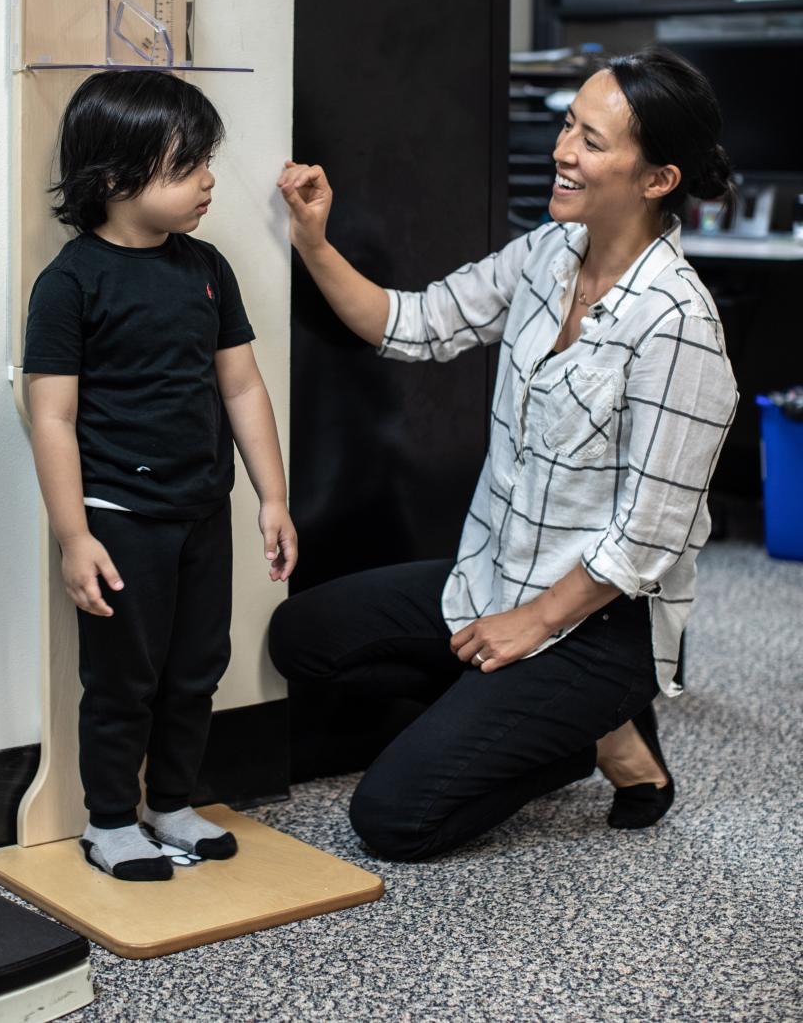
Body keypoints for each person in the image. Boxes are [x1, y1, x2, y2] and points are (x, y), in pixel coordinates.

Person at [269, 46, 738, 862]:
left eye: (591, 141)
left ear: (658, 179)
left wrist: (532, 626)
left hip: (596, 620)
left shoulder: (678, 325)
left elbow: (648, 539)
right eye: (567, 126)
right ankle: (569, 726)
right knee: (302, 636)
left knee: (392, 819)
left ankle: (577, 733)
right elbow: (413, 324)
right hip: (491, 575)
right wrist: (313, 240)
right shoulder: (549, 253)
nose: (562, 150)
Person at [24, 71, 297, 881]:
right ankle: (108, 821)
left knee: (194, 670)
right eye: (188, 166)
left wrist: (273, 497)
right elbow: (51, 417)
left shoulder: (206, 268)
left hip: (201, 510)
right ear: (114, 180)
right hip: (117, 516)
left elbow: (242, 385)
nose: (210, 179)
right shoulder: (70, 284)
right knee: (122, 679)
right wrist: (74, 536)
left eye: (206, 161)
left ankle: (170, 804)